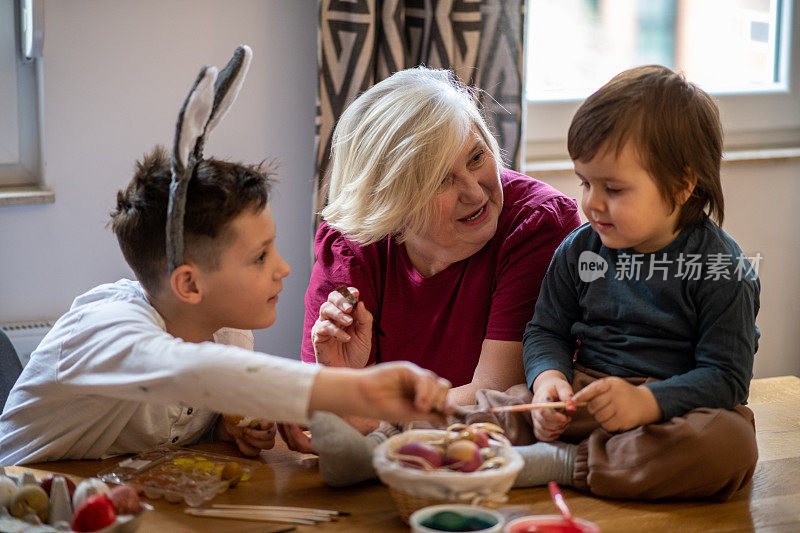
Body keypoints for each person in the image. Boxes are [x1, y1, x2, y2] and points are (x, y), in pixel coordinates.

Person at [309, 65, 760, 501]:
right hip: (579, 396)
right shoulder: (582, 248)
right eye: (586, 182)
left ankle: (566, 465)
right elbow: (546, 330)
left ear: (682, 186)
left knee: (729, 444)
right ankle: (377, 449)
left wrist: (649, 403)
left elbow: (726, 377)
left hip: (672, 412)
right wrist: (549, 380)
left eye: (614, 189)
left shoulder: (723, 270)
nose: (591, 204)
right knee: (496, 404)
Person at [0, 147, 451, 465]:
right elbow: (187, 371)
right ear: (189, 284)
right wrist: (362, 389)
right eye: (259, 257)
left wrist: (224, 431)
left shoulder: (227, 328)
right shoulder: (100, 329)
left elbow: (166, 421)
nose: (285, 269)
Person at [283, 66, 580, 452]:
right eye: (441, 180)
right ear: (391, 203)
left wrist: (364, 413)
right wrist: (342, 376)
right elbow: (323, 416)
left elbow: (493, 397)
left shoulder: (537, 225)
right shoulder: (350, 246)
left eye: (476, 157)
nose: (475, 192)